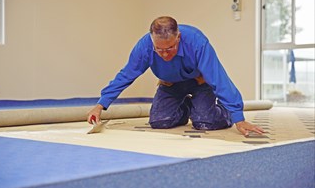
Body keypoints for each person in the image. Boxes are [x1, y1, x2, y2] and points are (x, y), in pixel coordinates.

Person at [87, 16, 264, 136]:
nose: (164, 54)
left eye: (170, 48)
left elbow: (218, 78)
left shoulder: (197, 41)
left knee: (204, 122)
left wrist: (238, 118)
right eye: (159, 49)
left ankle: (220, 111)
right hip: (170, 85)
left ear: (178, 37)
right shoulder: (144, 47)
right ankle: (188, 106)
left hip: (200, 83)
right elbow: (126, 75)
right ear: (152, 40)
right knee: (160, 121)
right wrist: (101, 104)